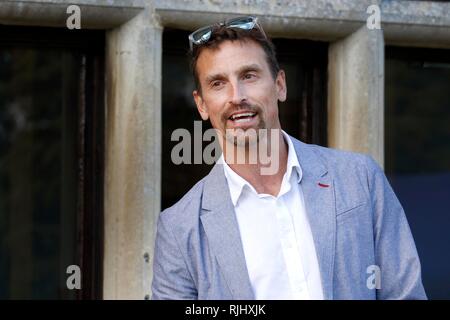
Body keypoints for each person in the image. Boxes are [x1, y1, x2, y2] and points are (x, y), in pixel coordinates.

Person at [151, 16, 426, 300]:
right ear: (202, 104)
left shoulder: (360, 177)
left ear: (280, 85)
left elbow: (405, 293)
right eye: (218, 83)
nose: (237, 96)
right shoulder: (179, 228)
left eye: (249, 75)